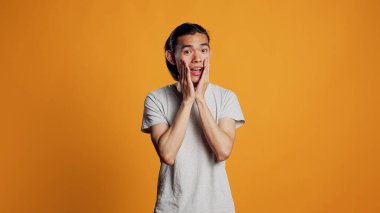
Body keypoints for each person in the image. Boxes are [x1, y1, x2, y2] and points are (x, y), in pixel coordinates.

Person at [140, 22, 245, 213]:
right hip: (172, 208)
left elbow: (222, 151)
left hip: (218, 208)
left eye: (203, 50)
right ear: (171, 57)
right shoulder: (156, 99)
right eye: (188, 51)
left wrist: (201, 101)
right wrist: (188, 101)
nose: (198, 58)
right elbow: (167, 154)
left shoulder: (226, 97)